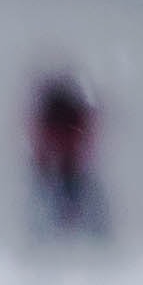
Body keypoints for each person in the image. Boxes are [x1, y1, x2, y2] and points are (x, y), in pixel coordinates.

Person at [27, 67, 102, 240]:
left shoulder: (58, 115)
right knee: (53, 197)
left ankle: (53, 233)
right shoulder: (67, 115)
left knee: (56, 196)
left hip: (64, 162)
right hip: (63, 162)